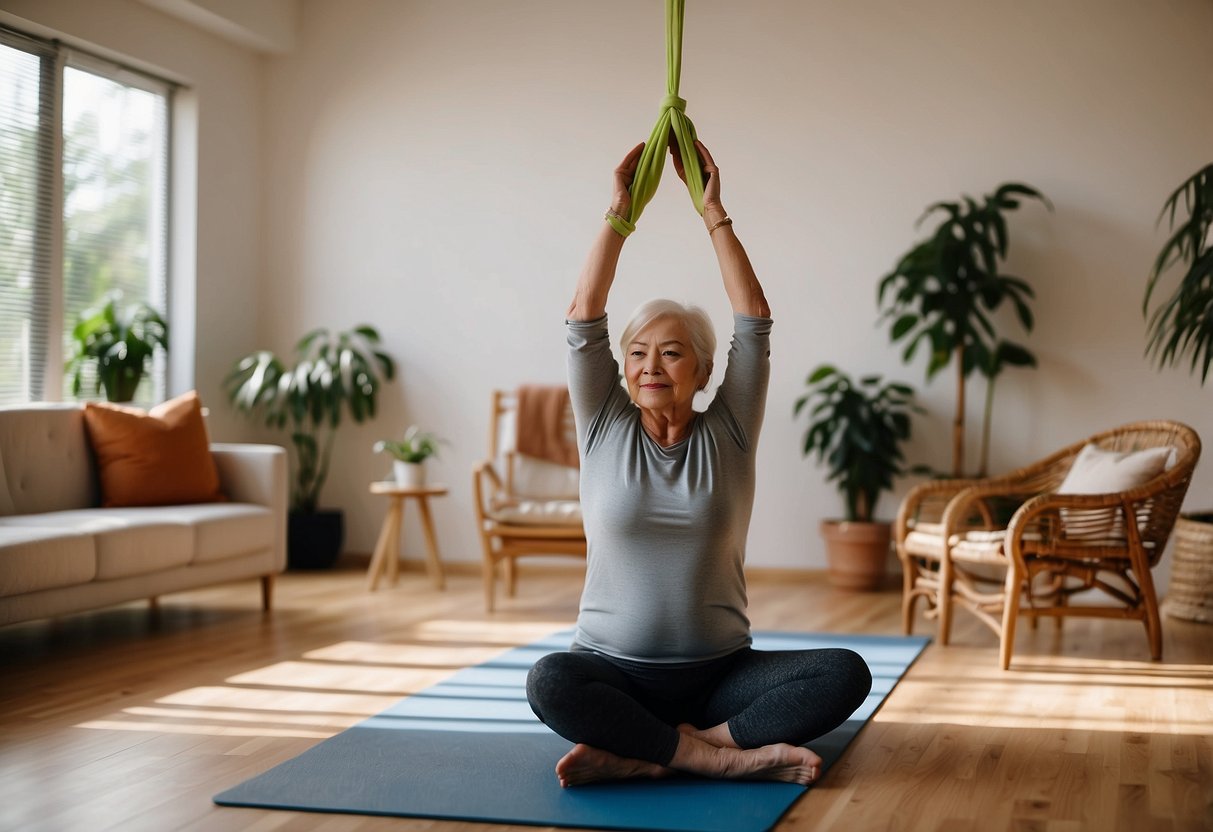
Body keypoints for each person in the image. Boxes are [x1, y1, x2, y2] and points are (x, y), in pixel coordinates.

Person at [525, 138, 873, 788]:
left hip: (718, 677)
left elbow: (754, 319)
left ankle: (660, 751)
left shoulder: (730, 429)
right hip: (612, 672)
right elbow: (583, 316)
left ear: (705, 369)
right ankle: (717, 758)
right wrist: (619, 216)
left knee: (844, 671)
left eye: (673, 353)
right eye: (637, 354)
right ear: (621, 370)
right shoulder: (603, 423)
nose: (651, 366)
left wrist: (713, 212)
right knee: (548, 681)